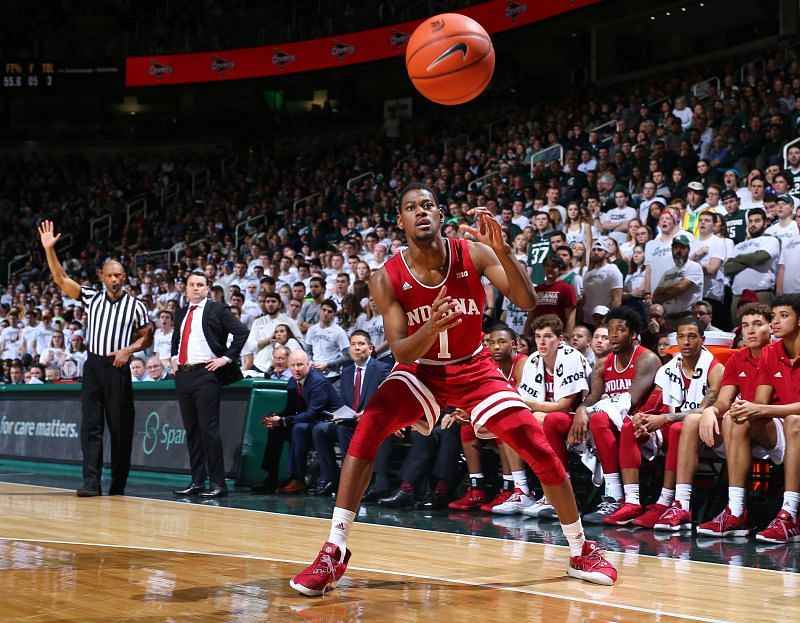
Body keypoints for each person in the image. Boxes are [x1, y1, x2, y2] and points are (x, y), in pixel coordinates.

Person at [290, 183, 617, 596]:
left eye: (427, 205)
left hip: (475, 368)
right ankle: (334, 550)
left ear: (441, 214)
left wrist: (503, 252)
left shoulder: (473, 253)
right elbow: (401, 352)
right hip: (422, 370)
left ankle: (580, 549)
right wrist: (430, 328)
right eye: (411, 207)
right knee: (367, 428)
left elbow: (528, 298)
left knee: (534, 441)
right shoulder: (386, 277)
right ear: (401, 221)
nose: (420, 212)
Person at [39, 220, 153, 497]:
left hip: (118, 368)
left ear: (125, 278)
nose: (115, 279)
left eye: (119, 275)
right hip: (94, 367)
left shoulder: (136, 305)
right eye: (110, 275)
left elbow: (147, 336)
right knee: (90, 426)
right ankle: (91, 483)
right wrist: (49, 250)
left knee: (121, 430)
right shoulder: (90, 297)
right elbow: (61, 279)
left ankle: (118, 485)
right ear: (102, 276)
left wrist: (129, 350)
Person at [657, 304, 779, 536]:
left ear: (770, 328)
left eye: (757, 324)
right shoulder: (737, 359)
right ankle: (682, 505)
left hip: (774, 427)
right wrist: (711, 412)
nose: (750, 331)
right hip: (740, 426)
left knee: (736, 417)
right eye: (745, 326)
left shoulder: (777, 354)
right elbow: (723, 401)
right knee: (693, 420)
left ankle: (736, 509)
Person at [610, 319, 725, 528]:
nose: (686, 342)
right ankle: (632, 501)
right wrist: (641, 416)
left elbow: (705, 410)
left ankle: (665, 501)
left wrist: (665, 419)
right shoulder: (669, 368)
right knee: (629, 426)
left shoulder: (715, 369)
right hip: (671, 423)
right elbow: (655, 401)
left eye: (692, 336)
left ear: (702, 339)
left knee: (679, 428)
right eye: (681, 337)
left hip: (706, 429)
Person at [577, 307, 661, 524]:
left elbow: (629, 401)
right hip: (613, 423)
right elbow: (593, 397)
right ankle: (610, 497)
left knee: (602, 418)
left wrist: (593, 410)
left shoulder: (647, 359)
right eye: (610, 330)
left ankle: (625, 498)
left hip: (644, 424)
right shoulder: (602, 364)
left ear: (633, 334)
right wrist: (581, 410)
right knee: (584, 419)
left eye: (620, 330)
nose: (613, 335)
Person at [727, 294, 800, 543]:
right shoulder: (771, 353)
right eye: (774, 316)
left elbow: (767, 410)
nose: (776, 321)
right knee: (740, 418)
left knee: (794, 421)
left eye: (784, 315)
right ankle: (736, 511)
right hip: (787, 428)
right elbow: (760, 403)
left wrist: (762, 410)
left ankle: (790, 513)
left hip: (794, 424)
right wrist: (744, 409)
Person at [171, 272, 249, 499]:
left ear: (208, 289)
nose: (196, 288)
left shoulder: (217, 309)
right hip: (184, 375)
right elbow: (177, 339)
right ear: (185, 288)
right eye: (192, 285)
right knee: (192, 431)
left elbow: (241, 332)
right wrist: (174, 359)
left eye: (200, 285)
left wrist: (225, 358)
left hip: (206, 374)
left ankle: (218, 483)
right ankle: (197, 481)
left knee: (209, 431)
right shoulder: (181, 312)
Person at [311, 331, 390, 495]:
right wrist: (338, 414)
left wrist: (366, 413)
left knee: (344, 429)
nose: (356, 348)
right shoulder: (346, 371)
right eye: (353, 344)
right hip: (349, 421)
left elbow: (386, 399)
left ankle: (351, 481)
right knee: (320, 430)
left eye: (361, 344)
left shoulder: (382, 369)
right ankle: (332, 478)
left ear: (370, 348)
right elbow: (343, 402)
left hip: (370, 422)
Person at [257, 349, 343, 494]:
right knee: (276, 429)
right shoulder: (292, 382)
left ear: (308, 364)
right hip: (307, 421)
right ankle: (271, 477)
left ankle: (297, 479)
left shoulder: (318, 382)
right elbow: (291, 410)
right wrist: (275, 419)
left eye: (300, 365)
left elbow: (311, 414)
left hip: (326, 422)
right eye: (293, 365)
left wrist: (284, 420)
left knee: (298, 428)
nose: (296, 369)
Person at [724, 207, 780, 317]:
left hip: (761, 293)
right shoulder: (739, 245)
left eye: (757, 221)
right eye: (750, 221)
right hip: (737, 295)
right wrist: (751, 260)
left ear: (765, 223)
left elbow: (760, 257)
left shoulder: (771, 240)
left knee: (762, 325)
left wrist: (738, 258)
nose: (753, 224)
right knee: (738, 330)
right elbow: (727, 268)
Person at [652, 234, 704, 329]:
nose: (679, 251)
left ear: (688, 249)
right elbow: (656, 296)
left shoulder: (694, 267)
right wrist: (672, 290)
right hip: (669, 319)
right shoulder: (668, 272)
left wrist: (665, 291)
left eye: (682, 248)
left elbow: (680, 288)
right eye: (676, 248)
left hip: (687, 317)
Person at [580, 239, 622, 325]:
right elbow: (584, 298)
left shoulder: (612, 269)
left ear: (606, 253)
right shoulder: (588, 273)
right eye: (594, 250)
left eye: (600, 250)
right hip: (587, 319)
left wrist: (611, 319)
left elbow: (617, 299)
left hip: (603, 318)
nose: (596, 252)